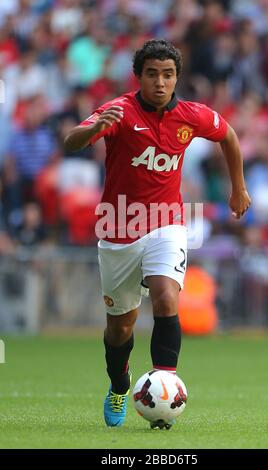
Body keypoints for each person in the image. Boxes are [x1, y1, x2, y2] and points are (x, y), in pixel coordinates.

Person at [64, 39, 251, 428]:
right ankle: (119, 385)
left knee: (167, 297)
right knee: (121, 327)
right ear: (139, 77)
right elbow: (71, 142)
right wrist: (96, 127)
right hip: (118, 231)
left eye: (168, 74)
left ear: (176, 77)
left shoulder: (191, 115)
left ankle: (164, 391)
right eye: (152, 74)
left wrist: (239, 187)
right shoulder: (118, 110)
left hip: (167, 224)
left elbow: (229, 135)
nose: (160, 82)